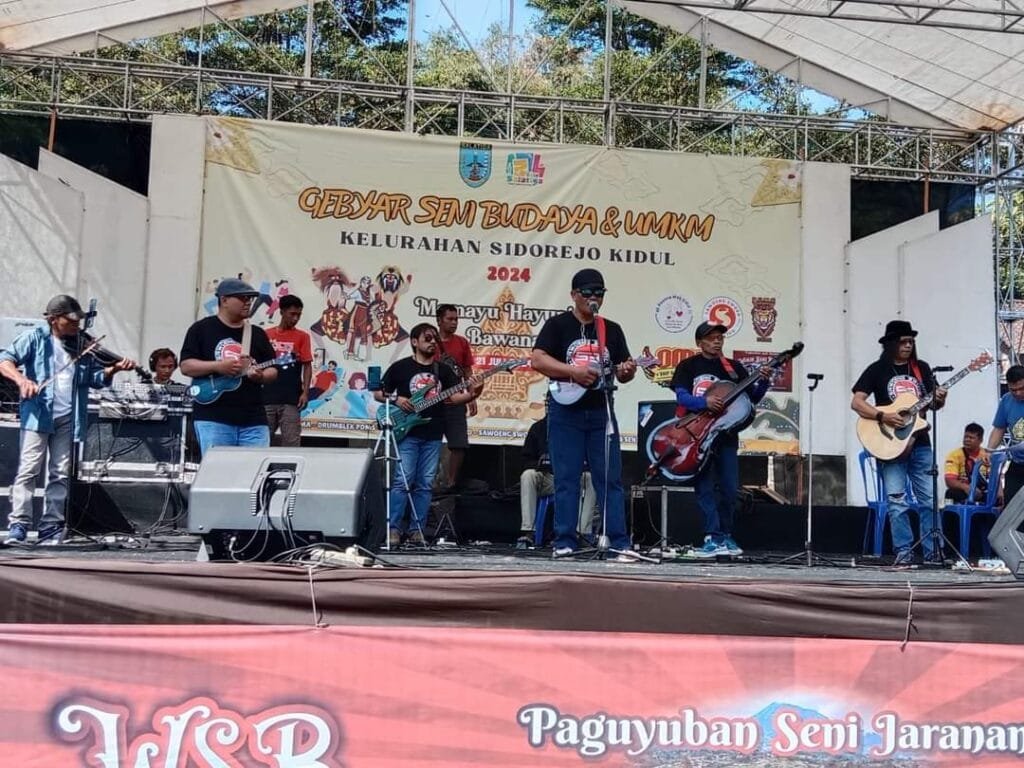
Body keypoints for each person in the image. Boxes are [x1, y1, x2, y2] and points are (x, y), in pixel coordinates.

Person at [0, 294, 136, 545]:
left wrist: (114, 369)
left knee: (60, 472)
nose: (77, 326)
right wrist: (22, 380)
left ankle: (51, 525)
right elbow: (4, 360)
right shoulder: (34, 338)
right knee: (28, 470)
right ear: (53, 320)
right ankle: (19, 523)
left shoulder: (81, 344)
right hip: (39, 414)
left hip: (68, 416)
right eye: (71, 321)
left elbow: (92, 379)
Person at [531, 268, 637, 558]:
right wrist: (573, 372)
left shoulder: (610, 330)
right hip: (566, 412)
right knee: (566, 477)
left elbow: (623, 370)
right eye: (587, 293)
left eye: (599, 293)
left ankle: (618, 541)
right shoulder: (557, 326)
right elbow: (537, 360)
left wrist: (628, 370)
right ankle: (565, 540)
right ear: (574, 295)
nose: (593, 298)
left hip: (601, 411)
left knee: (609, 479)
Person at [670, 321, 771, 558]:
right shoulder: (688, 366)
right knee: (704, 487)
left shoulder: (734, 368)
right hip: (697, 434)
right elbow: (682, 398)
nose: (717, 341)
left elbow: (750, 400)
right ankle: (711, 536)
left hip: (725, 434)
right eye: (712, 337)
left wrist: (764, 380)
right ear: (699, 342)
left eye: (720, 338)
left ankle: (725, 534)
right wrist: (704, 403)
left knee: (728, 487)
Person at [374, 323, 480, 547]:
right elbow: (378, 393)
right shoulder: (401, 368)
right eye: (427, 338)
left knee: (425, 484)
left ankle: (417, 530)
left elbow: (455, 398)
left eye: (434, 339)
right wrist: (396, 400)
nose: (433, 342)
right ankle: (392, 529)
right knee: (403, 481)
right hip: (408, 433)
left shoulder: (443, 371)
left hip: (433, 433)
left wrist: (474, 393)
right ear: (414, 342)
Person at [851, 319, 947, 565]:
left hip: (920, 442)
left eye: (911, 341)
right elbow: (857, 402)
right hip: (890, 444)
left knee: (928, 499)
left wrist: (940, 398)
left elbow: (933, 404)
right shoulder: (877, 370)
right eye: (903, 341)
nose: (908, 345)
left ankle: (932, 552)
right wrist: (883, 415)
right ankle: (903, 552)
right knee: (897, 501)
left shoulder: (922, 369)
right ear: (891, 344)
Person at [179, 278, 277, 457]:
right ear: (224, 300)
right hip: (213, 417)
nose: (248, 302)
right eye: (242, 298)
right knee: (218, 475)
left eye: (250, 298)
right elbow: (186, 366)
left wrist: (260, 376)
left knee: (255, 473)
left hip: (254, 418)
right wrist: (219, 366)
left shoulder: (256, 334)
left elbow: (273, 369)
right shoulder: (201, 329)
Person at [518, 414, 598, 548]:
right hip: (548, 478)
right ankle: (528, 532)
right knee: (528, 475)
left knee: (590, 478)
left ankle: (582, 533)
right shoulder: (538, 428)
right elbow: (526, 460)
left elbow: (590, 460)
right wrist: (540, 464)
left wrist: (576, 465)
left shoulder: (579, 428)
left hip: (572, 478)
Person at [263, 295, 313, 447]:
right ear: (282, 312)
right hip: (266, 397)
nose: (296, 318)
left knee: (291, 442)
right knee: (262, 441)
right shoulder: (266, 334)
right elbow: (256, 363)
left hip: (291, 398)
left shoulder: (302, 336)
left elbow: (307, 365)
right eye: (292, 314)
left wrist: (305, 392)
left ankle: (289, 470)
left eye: (298, 315)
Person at [436, 303, 476, 490]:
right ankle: (429, 480)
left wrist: (472, 396)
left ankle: (451, 483)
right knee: (428, 443)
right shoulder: (429, 341)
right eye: (450, 319)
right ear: (439, 320)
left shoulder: (461, 343)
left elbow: (467, 371)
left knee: (459, 443)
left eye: (456, 319)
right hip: (432, 402)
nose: (454, 323)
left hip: (456, 400)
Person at [988, 364, 1024, 505]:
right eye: (1013, 390)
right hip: (1018, 463)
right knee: (1011, 506)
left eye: (1022, 388)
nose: (1018, 393)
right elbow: (999, 429)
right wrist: (989, 450)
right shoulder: (1007, 400)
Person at [944, 422, 989, 503]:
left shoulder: (986, 455)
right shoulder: (954, 455)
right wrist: (966, 487)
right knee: (950, 493)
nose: (967, 440)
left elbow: (995, 477)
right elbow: (949, 481)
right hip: (963, 490)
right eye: (965, 437)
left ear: (980, 440)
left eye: (971, 438)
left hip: (982, 490)